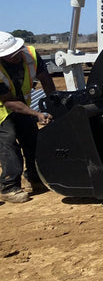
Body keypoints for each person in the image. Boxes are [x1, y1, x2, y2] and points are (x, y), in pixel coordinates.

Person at [0, 32, 55, 202]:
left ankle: (35, 178)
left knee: (32, 139)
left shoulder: (31, 55)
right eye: (9, 56)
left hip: (22, 105)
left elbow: (46, 80)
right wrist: (37, 114)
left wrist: (54, 105)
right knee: (8, 143)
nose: (14, 57)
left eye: (15, 52)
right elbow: (8, 102)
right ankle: (9, 187)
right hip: (3, 108)